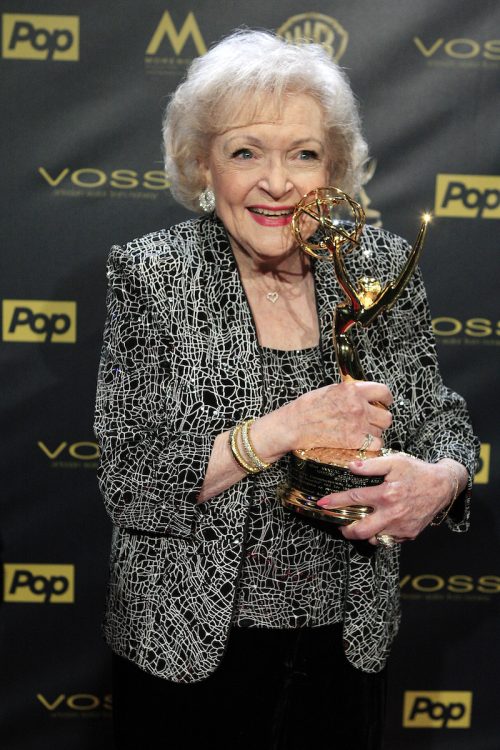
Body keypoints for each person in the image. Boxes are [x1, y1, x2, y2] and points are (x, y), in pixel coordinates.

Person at [94, 30, 478, 750]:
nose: (278, 183)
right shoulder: (153, 275)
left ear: (333, 168)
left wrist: (442, 479)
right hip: (188, 645)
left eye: (303, 154)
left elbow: (440, 419)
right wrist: (281, 429)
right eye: (246, 152)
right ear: (202, 164)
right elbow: (130, 478)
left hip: (347, 641)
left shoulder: (379, 265)